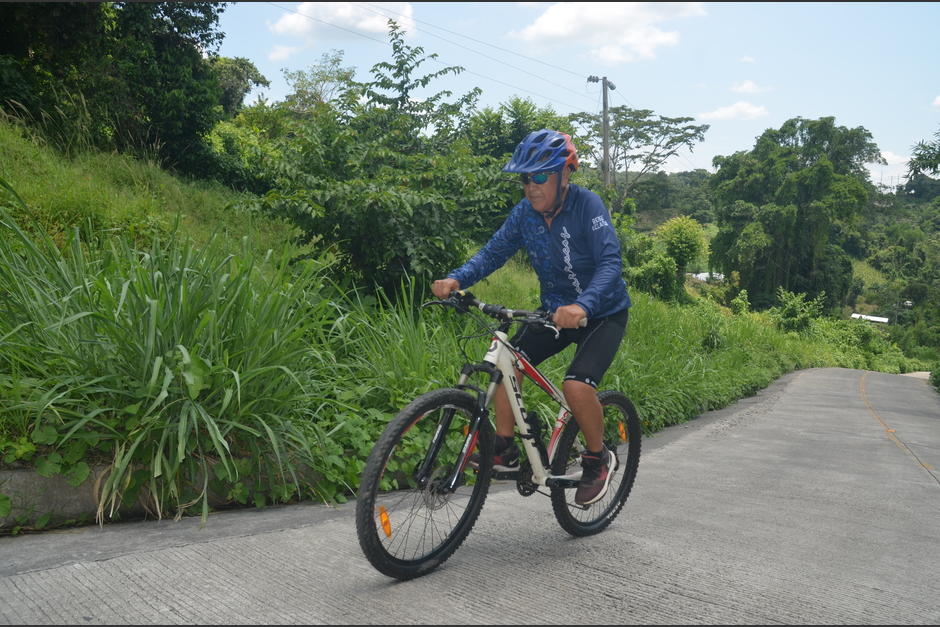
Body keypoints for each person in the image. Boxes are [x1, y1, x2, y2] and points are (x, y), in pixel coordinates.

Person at [431, 129, 631, 506]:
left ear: (564, 174)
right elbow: (493, 252)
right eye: (526, 178)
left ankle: (596, 458)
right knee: (507, 359)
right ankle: (504, 449)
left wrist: (584, 306)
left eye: (540, 176)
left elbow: (610, 264)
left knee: (576, 386)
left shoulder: (588, 205)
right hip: (554, 312)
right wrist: (457, 278)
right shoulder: (525, 214)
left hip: (603, 313)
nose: (531, 186)